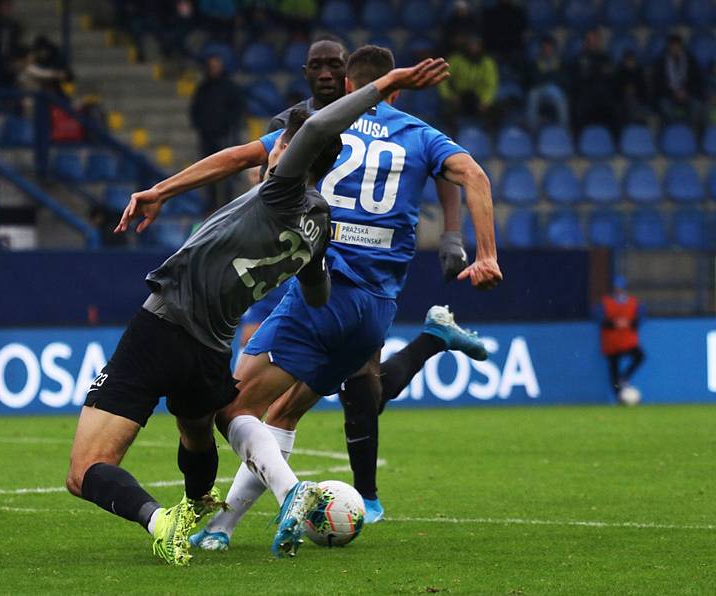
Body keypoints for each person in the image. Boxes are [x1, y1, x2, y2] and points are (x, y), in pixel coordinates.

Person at [71, 58, 451, 566]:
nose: (271, 148)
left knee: (85, 470)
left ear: (295, 155)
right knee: (208, 424)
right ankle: (201, 507)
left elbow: (315, 125)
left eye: (280, 144)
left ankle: (160, 520)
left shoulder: (280, 190)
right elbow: (317, 294)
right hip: (212, 345)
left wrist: (387, 84)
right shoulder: (318, 223)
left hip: (164, 321)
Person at [163, 47, 500, 556]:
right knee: (283, 415)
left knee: (231, 408)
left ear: (348, 86)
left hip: (325, 290)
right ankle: (221, 529)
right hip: (377, 311)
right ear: (397, 90)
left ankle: (291, 496)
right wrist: (485, 253)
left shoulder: (320, 128)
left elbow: (238, 157)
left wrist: (161, 190)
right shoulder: (420, 134)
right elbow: (473, 175)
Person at [190, 54, 244, 211]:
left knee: (227, 175)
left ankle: (228, 207)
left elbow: (238, 109)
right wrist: (201, 126)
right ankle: (211, 207)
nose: (214, 68)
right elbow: (195, 110)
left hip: (226, 137)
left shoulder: (230, 87)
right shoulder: (203, 88)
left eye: (217, 65)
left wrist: (229, 126)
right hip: (207, 137)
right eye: (212, 65)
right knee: (208, 174)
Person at [598, 276, 645, 401]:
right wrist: (615, 323)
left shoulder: (632, 302)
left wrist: (628, 323)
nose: (618, 291)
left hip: (627, 341)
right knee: (613, 370)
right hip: (612, 343)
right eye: (616, 288)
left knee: (639, 356)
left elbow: (639, 319)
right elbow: (600, 319)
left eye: (620, 288)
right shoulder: (606, 303)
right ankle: (620, 397)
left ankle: (624, 377)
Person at [438, 36, 499, 131]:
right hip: (459, 96)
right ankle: (452, 136)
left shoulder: (487, 62)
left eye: (476, 45)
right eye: (471, 45)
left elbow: (491, 84)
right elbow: (442, 79)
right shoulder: (455, 59)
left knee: (494, 113)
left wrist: (485, 102)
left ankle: (486, 137)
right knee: (446, 111)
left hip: (479, 98)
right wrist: (449, 96)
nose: (474, 48)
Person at [569, 29, 615, 133]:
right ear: (586, 41)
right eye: (590, 39)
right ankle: (579, 141)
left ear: (598, 41)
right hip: (585, 94)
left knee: (613, 107)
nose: (592, 42)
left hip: (603, 94)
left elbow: (609, 77)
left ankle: (613, 142)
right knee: (579, 106)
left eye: (595, 39)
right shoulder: (580, 58)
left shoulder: (605, 57)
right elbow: (577, 79)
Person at [654, 33, 703, 126]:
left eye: (677, 46)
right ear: (669, 47)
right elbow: (658, 85)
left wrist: (686, 92)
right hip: (668, 95)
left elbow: (696, 81)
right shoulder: (661, 62)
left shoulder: (690, 60)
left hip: (687, 94)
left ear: (681, 47)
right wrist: (674, 93)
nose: (675, 49)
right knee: (665, 106)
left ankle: (689, 132)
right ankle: (674, 131)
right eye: (673, 46)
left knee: (696, 106)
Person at [525, 35, 569, 131]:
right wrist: (551, 75)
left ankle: (564, 130)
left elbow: (563, 79)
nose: (547, 50)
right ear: (541, 48)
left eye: (549, 47)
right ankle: (532, 129)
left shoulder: (559, 62)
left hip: (554, 88)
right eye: (544, 47)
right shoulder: (536, 62)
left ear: (553, 48)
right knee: (532, 95)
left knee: (560, 96)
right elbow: (534, 79)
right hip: (540, 88)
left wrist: (547, 76)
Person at [614, 49, 651, 126]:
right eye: (628, 60)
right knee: (628, 98)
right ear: (624, 61)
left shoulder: (639, 72)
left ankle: (637, 119)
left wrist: (635, 90)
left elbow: (644, 90)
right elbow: (616, 91)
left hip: (638, 100)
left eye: (631, 60)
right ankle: (638, 119)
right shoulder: (619, 73)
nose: (630, 63)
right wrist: (625, 90)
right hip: (623, 102)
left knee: (633, 101)